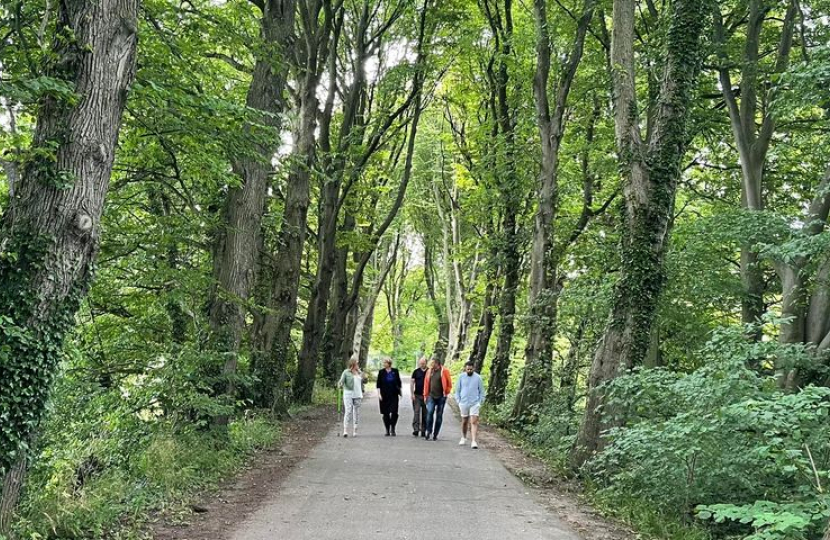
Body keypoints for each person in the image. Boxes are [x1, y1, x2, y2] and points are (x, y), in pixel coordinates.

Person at [455, 361, 485, 449]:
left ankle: (474, 441)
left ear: (473, 369)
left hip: (474, 403)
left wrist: (480, 402)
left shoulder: (478, 378)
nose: (469, 371)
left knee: (474, 421)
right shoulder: (461, 377)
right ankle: (463, 437)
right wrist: (458, 401)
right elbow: (457, 390)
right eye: (468, 369)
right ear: (465, 368)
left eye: (471, 369)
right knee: (464, 421)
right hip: (463, 403)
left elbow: (482, 392)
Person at [423, 356, 452, 441]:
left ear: (437, 363)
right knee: (430, 412)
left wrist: (446, 392)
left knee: (439, 415)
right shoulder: (429, 371)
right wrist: (425, 395)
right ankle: (429, 431)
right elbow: (426, 384)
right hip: (431, 396)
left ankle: (436, 433)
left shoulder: (445, 371)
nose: (431, 365)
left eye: (432, 363)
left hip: (441, 397)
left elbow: (449, 384)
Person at [337, 356, 363, 437]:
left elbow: (365, 381)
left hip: (358, 394)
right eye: (357, 363)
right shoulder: (346, 372)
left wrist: (363, 375)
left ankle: (355, 430)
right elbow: (341, 381)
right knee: (348, 411)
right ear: (353, 364)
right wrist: (340, 385)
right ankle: (345, 430)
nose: (358, 365)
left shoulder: (359, 372)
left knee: (356, 412)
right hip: (348, 393)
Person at [376, 357, 402, 436]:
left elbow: (399, 382)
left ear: (389, 363)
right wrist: (379, 394)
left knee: (394, 412)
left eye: (385, 362)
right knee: (385, 413)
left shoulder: (395, 371)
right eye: (383, 363)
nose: (384, 364)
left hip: (393, 395)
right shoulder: (381, 372)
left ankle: (393, 427)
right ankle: (387, 429)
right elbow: (378, 384)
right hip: (384, 395)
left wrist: (400, 392)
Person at [410, 356, 428, 437]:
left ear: (426, 363)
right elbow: (412, 382)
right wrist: (412, 394)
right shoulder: (416, 372)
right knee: (416, 412)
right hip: (417, 395)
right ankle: (416, 429)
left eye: (423, 363)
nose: (421, 364)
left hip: (426, 396)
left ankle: (424, 430)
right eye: (420, 363)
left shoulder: (429, 371)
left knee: (425, 413)